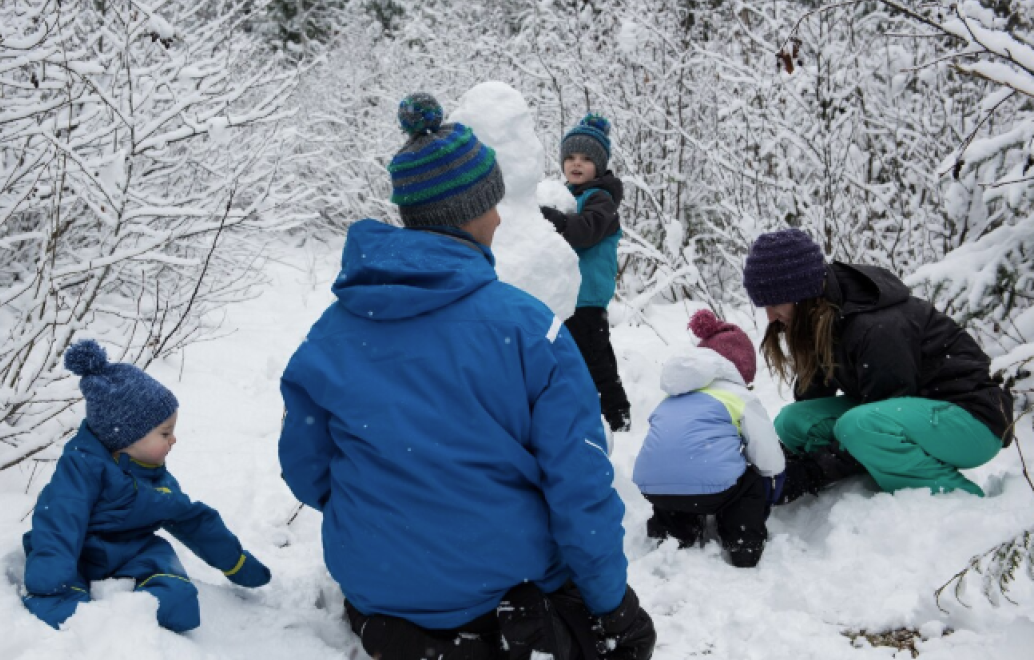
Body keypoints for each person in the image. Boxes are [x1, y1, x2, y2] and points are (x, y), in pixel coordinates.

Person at [278, 93, 655, 660]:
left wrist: (389, 509)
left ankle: (399, 628)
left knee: (401, 592)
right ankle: (495, 629)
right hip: (501, 573)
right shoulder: (531, 329)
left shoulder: (329, 335)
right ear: (469, 213)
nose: (500, 216)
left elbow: (305, 470)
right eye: (491, 204)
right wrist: (612, 606)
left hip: (375, 576)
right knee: (618, 635)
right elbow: (579, 483)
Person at [742, 228, 1014, 500]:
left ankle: (961, 502)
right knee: (792, 421)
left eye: (775, 303)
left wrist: (812, 471)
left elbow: (885, 405)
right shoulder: (822, 316)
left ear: (802, 291)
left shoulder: (876, 325)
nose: (770, 317)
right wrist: (780, 463)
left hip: (973, 423)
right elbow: (811, 399)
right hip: (913, 412)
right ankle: (880, 467)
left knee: (860, 427)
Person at [21, 339, 271, 631]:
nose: (173, 440)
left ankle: (135, 617)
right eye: (165, 433)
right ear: (125, 438)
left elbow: (191, 519)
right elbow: (60, 522)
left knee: (180, 601)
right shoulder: (82, 468)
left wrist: (236, 562)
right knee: (56, 609)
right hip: (79, 556)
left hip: (136, 553)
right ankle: (86, 623)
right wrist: (51, 582)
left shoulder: (156, 477)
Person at [633, 310, 786, 567]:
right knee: (749, 482)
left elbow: (666, 447)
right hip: (712, 489)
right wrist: (772, 477)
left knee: (676, 481)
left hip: (654, 488)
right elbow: (768, 458)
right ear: (741, 368)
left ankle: (674, 532)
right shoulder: (738, 396)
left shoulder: (672, 395)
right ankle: (742, 542)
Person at [539, 114, 632, 432]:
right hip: (568, 296)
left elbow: (584, 232)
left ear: (600, 165)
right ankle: (586, 411)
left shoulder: (600, 200)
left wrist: (554, 219)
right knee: (578, 357)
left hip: (587, 296)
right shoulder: (569, 196)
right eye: (570, 157)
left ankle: (617, 415)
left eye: (586, 159)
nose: (576, 164)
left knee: (596, 360)